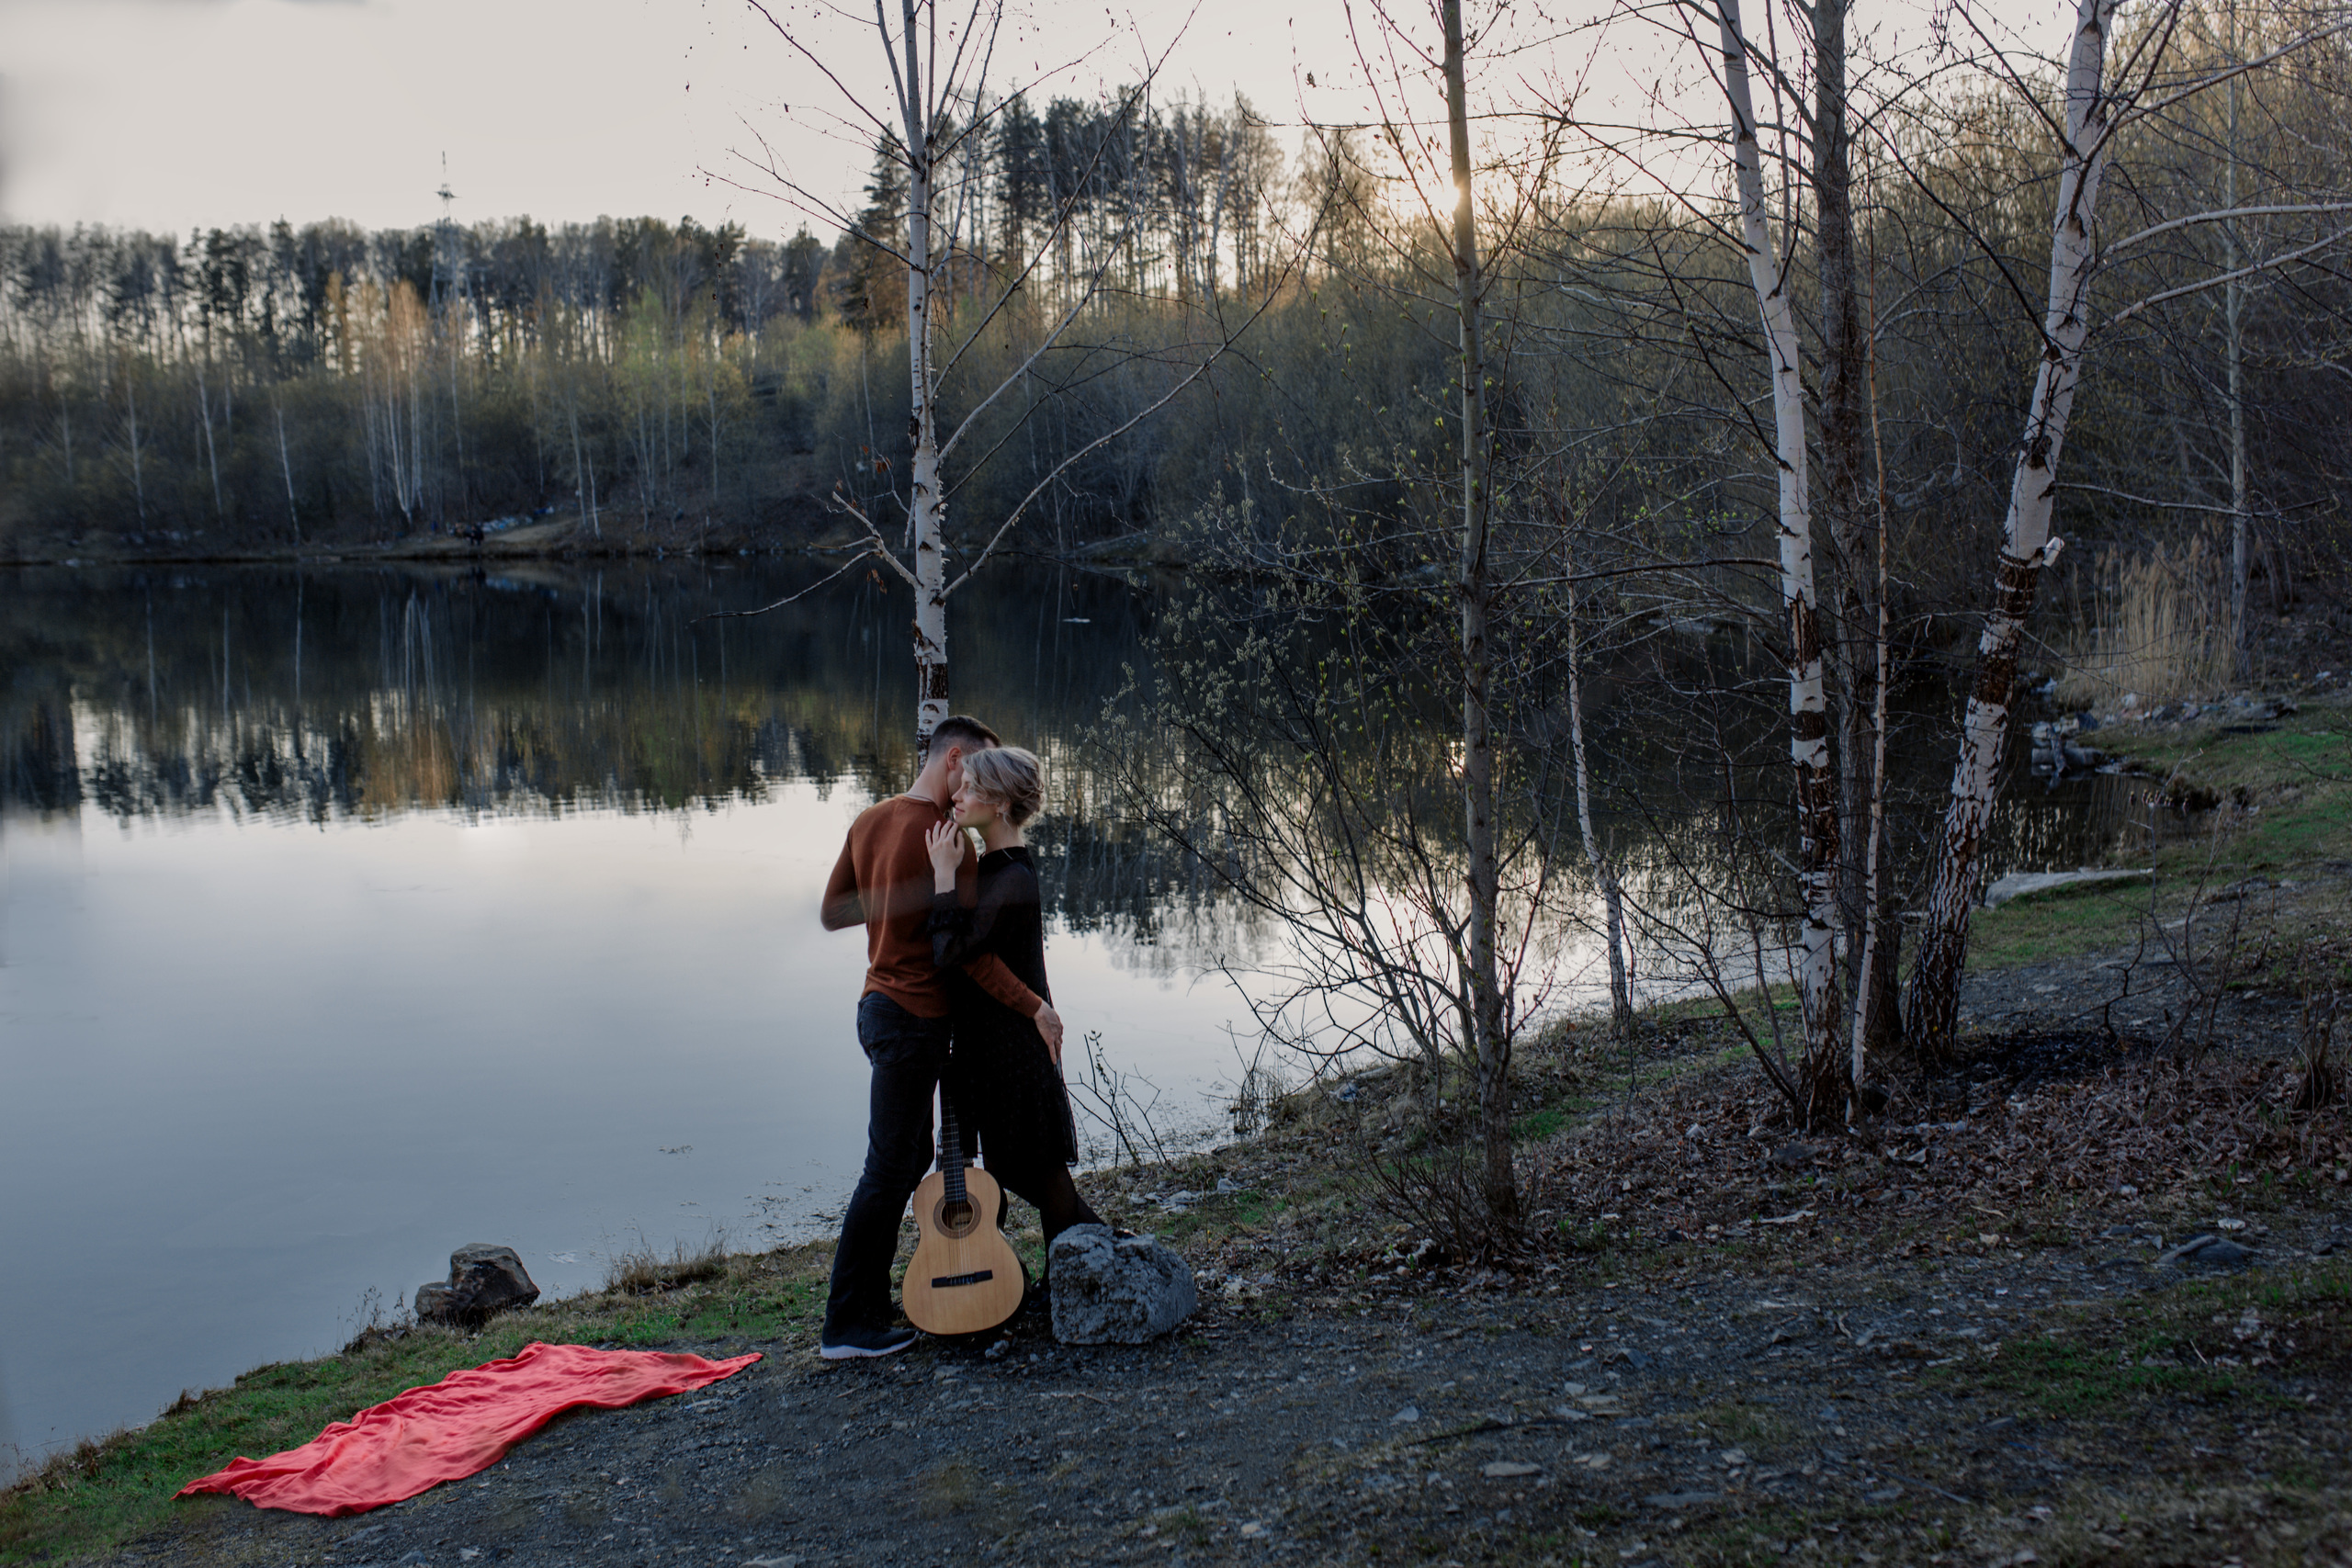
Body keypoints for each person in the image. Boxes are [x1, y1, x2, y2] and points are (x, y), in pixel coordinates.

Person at [817, 716, 1065, 1359]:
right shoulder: (949, 840)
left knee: (901, 1160)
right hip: (917, 1014)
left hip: (874, 1006)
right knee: (889, 1166)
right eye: (975, 767)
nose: (971, 784)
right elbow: (971, 958)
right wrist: (1035, 1004)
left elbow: (833, 912)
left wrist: (893, 910)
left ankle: (865, 1311)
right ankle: (847, 1323)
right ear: (954, 757)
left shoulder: (870, 819)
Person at [922, 747, 1105, 1277]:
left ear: (1000, 804)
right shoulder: (998, 868)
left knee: (1042, 1178)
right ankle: (1085, 1268)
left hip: (1015, 1052)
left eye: (970, 787)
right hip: (996, 1046)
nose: (955, 795)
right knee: (1020, 1170)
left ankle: (1096, 1267)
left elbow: (952, 951)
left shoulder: (1013, 878)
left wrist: (940, 874)